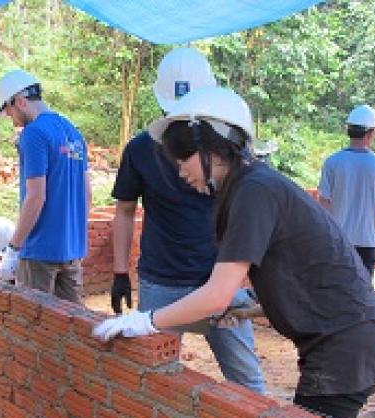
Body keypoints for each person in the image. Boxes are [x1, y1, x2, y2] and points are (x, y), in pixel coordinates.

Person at [94, 87, 375, 418]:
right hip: (346, 341)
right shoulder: (249, 186)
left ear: (211, 148)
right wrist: (249, 308)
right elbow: (305, 281)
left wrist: (145, 320)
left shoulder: (254, 191)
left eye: (183, 160)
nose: (180, 173)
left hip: (345, 348)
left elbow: (217, 294)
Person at [110, 48, 264, 393]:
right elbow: (124, 210)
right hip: (162, 280)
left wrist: (250, 276)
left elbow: (250, 215)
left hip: (221, 280)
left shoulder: (230, 153)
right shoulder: (140, 150)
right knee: (153, 378)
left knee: (249, 385)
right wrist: (120, 271)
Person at [0, 69, 90, 302]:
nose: (13, 120)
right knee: (71, 327)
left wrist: (13, 250)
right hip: (72, 250)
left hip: (39, 253)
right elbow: (87, 195)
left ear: (20, 101)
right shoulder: (73, 132)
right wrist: (71, 236)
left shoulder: (33, 134)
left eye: (10, 113)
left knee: (33, 329)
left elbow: (36, 197)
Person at [318, 105, 375, 276]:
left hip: (338, 240)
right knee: (362, 293)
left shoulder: (332, 162)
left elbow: (324, 201)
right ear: (371, 132)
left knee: (336, 287)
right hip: (367, 241)